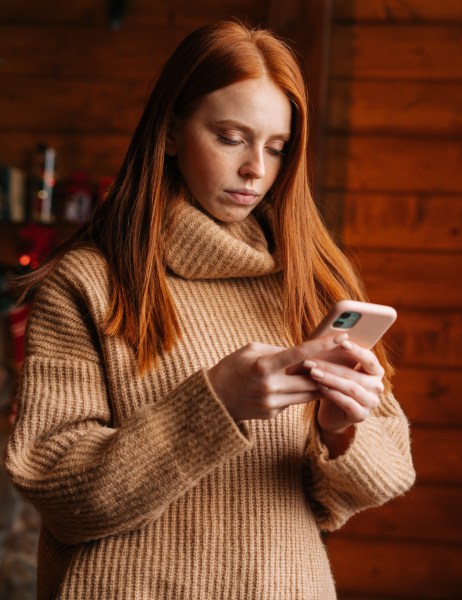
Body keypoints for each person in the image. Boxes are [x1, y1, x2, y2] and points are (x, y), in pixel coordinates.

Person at [3, 20, 415, 600]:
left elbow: (389, 475)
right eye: (230, 137)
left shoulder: (311, 281)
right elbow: (58, 489)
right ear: (170, 132)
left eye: (276, 148)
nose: (256, 169)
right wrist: (213, 402)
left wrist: (341, 432)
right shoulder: (89, 284)